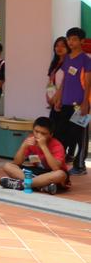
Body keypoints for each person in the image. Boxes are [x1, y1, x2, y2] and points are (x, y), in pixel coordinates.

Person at [49, 27, 90, 176]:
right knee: (62, 133)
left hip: (80, 104)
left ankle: (80, 166)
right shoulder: (67, 58)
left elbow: (87, 83)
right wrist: (58, 98)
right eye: (69, 39)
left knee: (80, 135)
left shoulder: (86, 59)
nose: (70, 42)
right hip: (66, 103)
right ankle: (60, 163)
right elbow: (65, 80)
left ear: (82, 41)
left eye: (74, 39)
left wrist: (85, 103)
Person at [0, 116, 69, 194]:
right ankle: (42, 186)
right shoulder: (30, 139)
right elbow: (17, 162)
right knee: (7, 166)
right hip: (35, 173)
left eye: (43, 133)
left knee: (60, 174)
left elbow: (55, 168)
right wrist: (23, 146)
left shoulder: (57, 145)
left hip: (51, 173)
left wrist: (44, 146)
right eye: (36, 131)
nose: (38, 135)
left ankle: (22, 184)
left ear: (50, 135)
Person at [46, 36, 68, 112]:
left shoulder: (69, 63)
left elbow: (65, 83)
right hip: (53, 101)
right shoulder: (54, 63)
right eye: (57, 46)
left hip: (63, 100)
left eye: (63, 46)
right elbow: (50, 82)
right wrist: (49, 98)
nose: (59, 48)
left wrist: (57, 98)